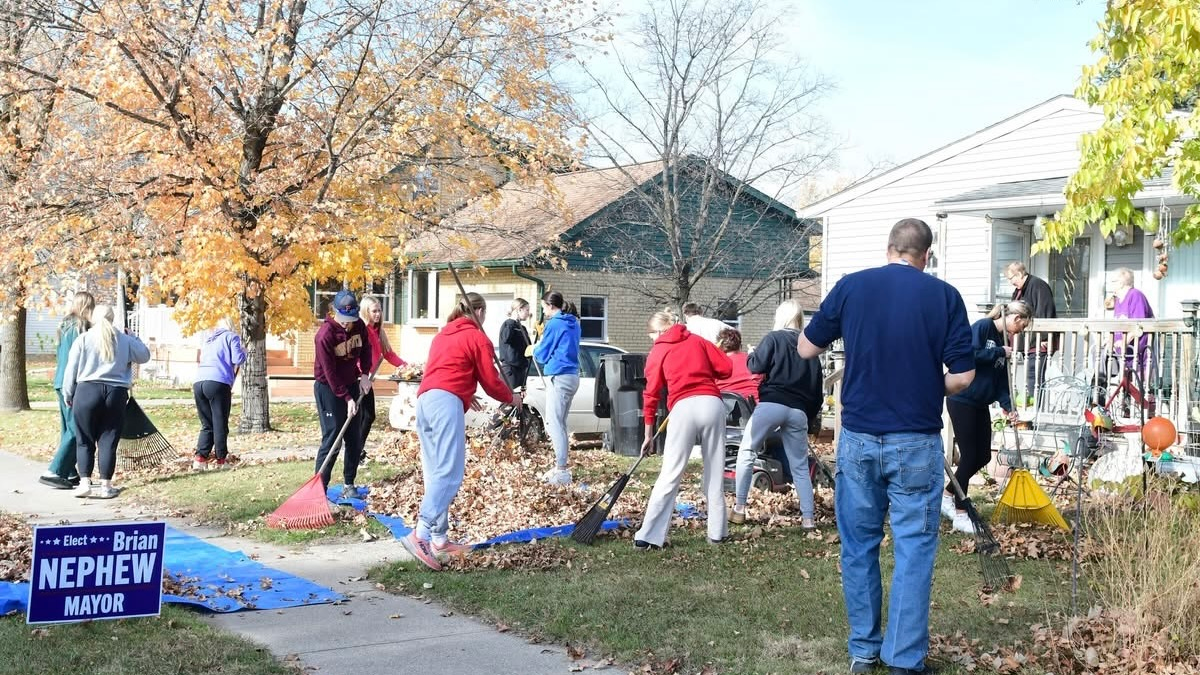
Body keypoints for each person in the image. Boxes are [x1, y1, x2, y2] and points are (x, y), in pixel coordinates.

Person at [798, 218, 975, 675]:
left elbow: (805, 348)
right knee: (914, 549)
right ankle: (903, 657)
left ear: (889, 248)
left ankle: (863, 649)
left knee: (859, 545)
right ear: (925, 256)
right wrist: (927, 383)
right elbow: (963, 376)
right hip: (916, 439)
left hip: (858, 436)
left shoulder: (852, 287)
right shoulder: (944, 297)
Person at [401, 292, 523, 571]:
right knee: (450, 473)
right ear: (479, 312)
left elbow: (446, 370)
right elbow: (492, 381)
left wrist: (466, 394)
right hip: (445, 403)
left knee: (435, 472)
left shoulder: (443, 334)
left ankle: (439, 539)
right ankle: (420, 534)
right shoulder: (478, 337)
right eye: (485, 314)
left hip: (426, 400)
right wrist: (511, 398)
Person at [634, 308, 733, 549]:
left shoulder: (659, 350)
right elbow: (726, 368)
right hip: (712, 404)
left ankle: (648, 537)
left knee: (671, 472)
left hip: (683, 408)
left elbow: (651, 393)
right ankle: (717, 533)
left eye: (651, 335)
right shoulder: (698, 341)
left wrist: (648, 432)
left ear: (659, 330)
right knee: (714, 469)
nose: (652, 340)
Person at [941, 301, 1032, 535]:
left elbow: (1002, 381)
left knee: (981, 456)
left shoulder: (1005, 343)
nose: (1021, 331)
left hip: (980, 403)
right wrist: (998, 352)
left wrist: (1009, 406)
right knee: (971, 455)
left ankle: (948, 494)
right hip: (962, 399)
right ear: (1014, 317)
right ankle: (961, 513)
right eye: (1022, 325)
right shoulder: (983, 327)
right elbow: (968, 355)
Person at [730, 300, 823, 528]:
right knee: (799, 466)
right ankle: (808, 519)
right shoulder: (810, 349)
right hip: (798, 411)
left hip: (772, 404)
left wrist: (753, 353)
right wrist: (808, 417)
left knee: (747, 451)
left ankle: (740, 508)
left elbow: (755, 367)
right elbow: (817, 393)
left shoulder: (773, 338)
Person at [62, 304, 152, 499]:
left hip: (87, 391)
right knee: (108, 441)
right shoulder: (124, 339)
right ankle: (106, 486)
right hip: (116, 393)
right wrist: (133, 336)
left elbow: (71, 368)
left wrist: (68, 394)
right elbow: (144, 356)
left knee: (84, 440)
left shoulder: (83, 338)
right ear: (112, 319)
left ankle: (84, 482)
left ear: (93, 318)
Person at [313, 290, 373, 499]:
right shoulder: (324, 336)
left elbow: (366, 349)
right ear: (335, 313)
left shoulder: (359, 326)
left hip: (351, 383)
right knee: (333, 438)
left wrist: (365, 374)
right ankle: (320, 489)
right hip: (328, 388)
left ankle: (349, 484)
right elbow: (329, 373)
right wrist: (346, 398)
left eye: (352, 319)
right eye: (345, 319)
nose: (348, 324)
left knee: (353, 438)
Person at [39, 292, 95, 489]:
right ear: (87, 307)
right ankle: (54, 471)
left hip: (59, 380)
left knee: (67, 427)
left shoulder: (63, 325)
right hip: (73, 382)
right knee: (76, 428)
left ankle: (70, 473)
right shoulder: (81, 327)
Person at [532, 291, 581, 485]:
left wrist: (536, 347)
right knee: (560, 422)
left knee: (554, 423)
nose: (544, 311)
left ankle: (561, 471)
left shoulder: (554, 324)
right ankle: (560, 467)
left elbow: (543, 354)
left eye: (544, 307)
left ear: (550, 306)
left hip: (559, 375)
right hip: (572, 374)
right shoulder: (574, 323)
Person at [192, 317, 246, 470]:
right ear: (231, 326)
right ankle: (222, 460)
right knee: (220, 422)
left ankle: (200, 458)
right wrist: (244, 352)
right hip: (218, 382)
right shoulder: (232, 337)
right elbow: (237, 358)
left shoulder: (209, 340)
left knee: (207, 424)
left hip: (199, 382)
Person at [358, 295, 406, 455]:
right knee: (366, 415)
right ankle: (356, 451)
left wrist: (406, 366)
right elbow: (357, 355)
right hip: (359, 378)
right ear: (366, 312)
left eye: (379, 310)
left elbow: (389, 354)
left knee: (367, 416)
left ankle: (357, 450)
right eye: (374, 311)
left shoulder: (379, 332)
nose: (377, 314)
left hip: (367, 378)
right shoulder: (362, 330)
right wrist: (364, 374)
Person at [1005, 261, 1056, 405]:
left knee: (1035, 377)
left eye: (1011, 278)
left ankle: (1036, 411)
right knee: (1029, 376)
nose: (1011, 282)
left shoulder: (1038, 286)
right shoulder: (1019, 290)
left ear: (1020, 274)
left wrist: (1044, 338)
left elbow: (1045, 312)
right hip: (1026, 342)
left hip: (1039, 342)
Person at [1107, 267, 1154, 376]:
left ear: (1121, 283)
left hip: (1137, 355)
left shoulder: (1135, 295)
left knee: (1137, 389)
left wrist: (1124, 341)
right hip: (1123, 355)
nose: (1111, 285)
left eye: (1113, 282)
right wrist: (1110, 339)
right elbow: (1118, 325)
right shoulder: (1118, 300)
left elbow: (1138, 325)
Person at [714, 328, 761, 401]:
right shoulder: (753, 360)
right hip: (755, 406)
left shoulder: (714, 365)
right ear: (740, 345)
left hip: (726, 408)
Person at [498, 298, 533, 389]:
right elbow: (506, 338)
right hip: (510, 369)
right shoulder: (508, 324)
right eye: (527, 310)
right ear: (519, 310)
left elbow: (528, 347)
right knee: (510, 399)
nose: (528, 313)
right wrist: (512, 320)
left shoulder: (522, 328)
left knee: (520, 400)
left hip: (521, 369)